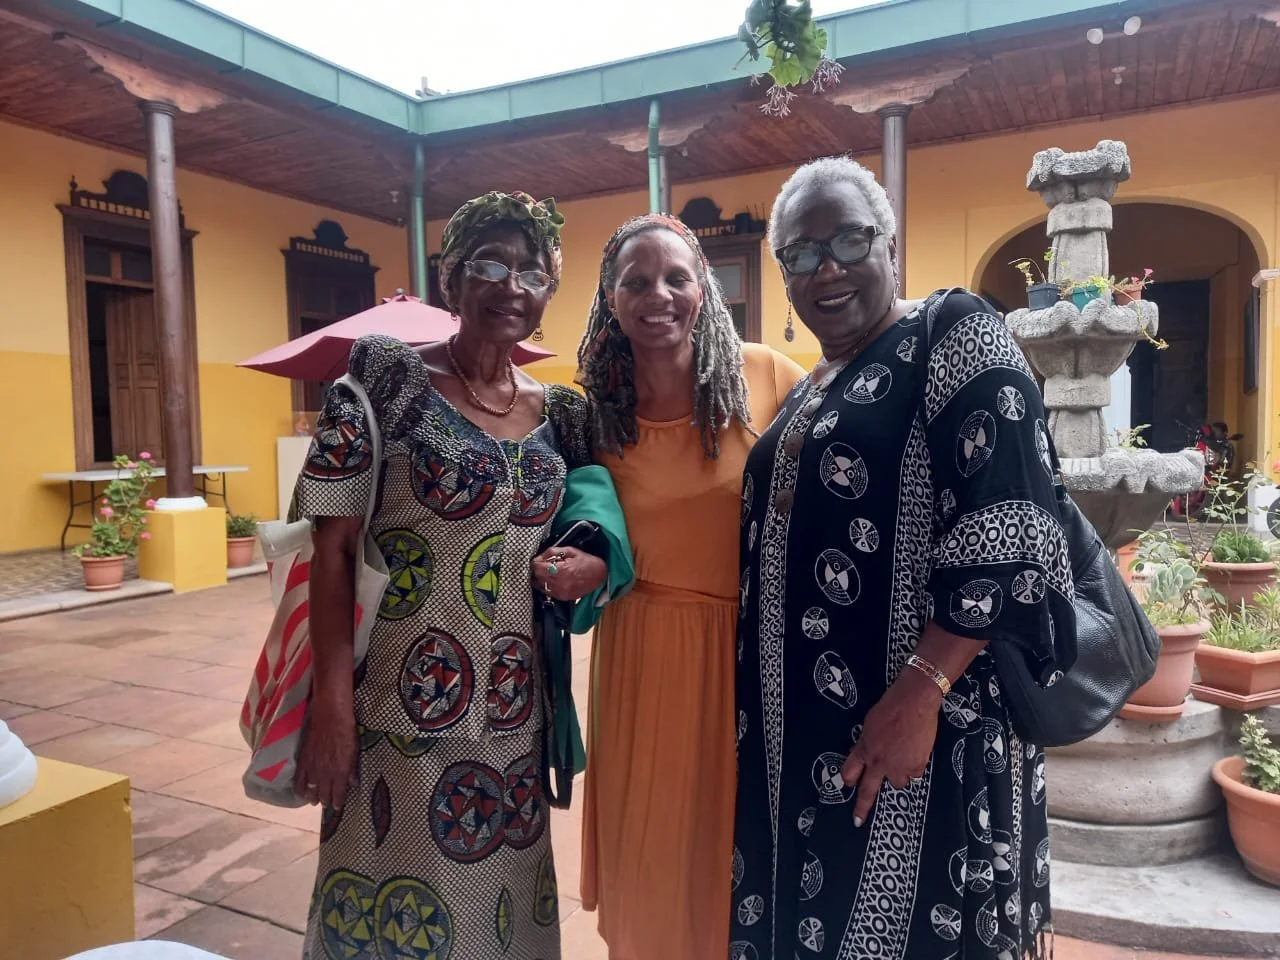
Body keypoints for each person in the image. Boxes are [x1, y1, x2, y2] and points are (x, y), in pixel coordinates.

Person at [732, 157, 1074, 960]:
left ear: (890, 244)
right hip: (796, 744)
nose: (828, 269)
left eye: (849, 241)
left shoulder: (950, 330)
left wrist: (921, 693)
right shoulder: (814, 384)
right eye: (801, 254)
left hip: (918, 731)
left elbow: (1011, 528)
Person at [291, 191, 609, 960]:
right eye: (490, 265)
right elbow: (330, 548)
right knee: (395, 913)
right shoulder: (386, 384)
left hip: (515, 716)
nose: (511, 287)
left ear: (549, 291)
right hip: (395, 712)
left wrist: (592, 559)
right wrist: (330, 704)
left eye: (532, 272)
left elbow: (597, 516)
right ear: (452, 277)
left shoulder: (562, 415)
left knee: (502, 917)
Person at [575, 213, 806, 960]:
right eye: (637, 282)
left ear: (704, 287)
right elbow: (573, 519)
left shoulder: (766, 376)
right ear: (610, 299)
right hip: (640, 658)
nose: (659, 296)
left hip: (744, 657)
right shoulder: (594, 416)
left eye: (677, 277)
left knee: (734, 854)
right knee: (650, 853)